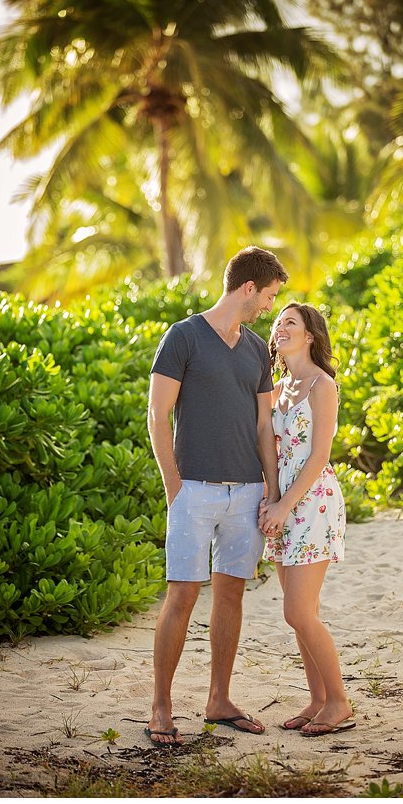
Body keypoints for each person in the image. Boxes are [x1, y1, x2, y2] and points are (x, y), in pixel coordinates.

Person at [145, 247, 286, 746]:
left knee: (231, 594)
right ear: (249, 288)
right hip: (194, 492)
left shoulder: (255, 351)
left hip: (247, 492)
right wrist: (173, 486)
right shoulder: (182, 337)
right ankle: (161, 706)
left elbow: (264, 423)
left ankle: (218, 700)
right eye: (269, 295)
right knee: (182, 594)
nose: (271, 305)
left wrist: (271, 491)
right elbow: (158, 415)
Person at [261, 302, 354, 737]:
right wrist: (271, 499)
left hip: (313, 501)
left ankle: (338, 701)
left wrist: (284, 505)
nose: (280, 328)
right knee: (301, 613)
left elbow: (318, 456)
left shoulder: (322, 384)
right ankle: (317, 699)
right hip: (281, 504)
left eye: (290, 323)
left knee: (298, 612)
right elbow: (269, 450)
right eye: (278, 322)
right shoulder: (278, 388)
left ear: (310, 336)